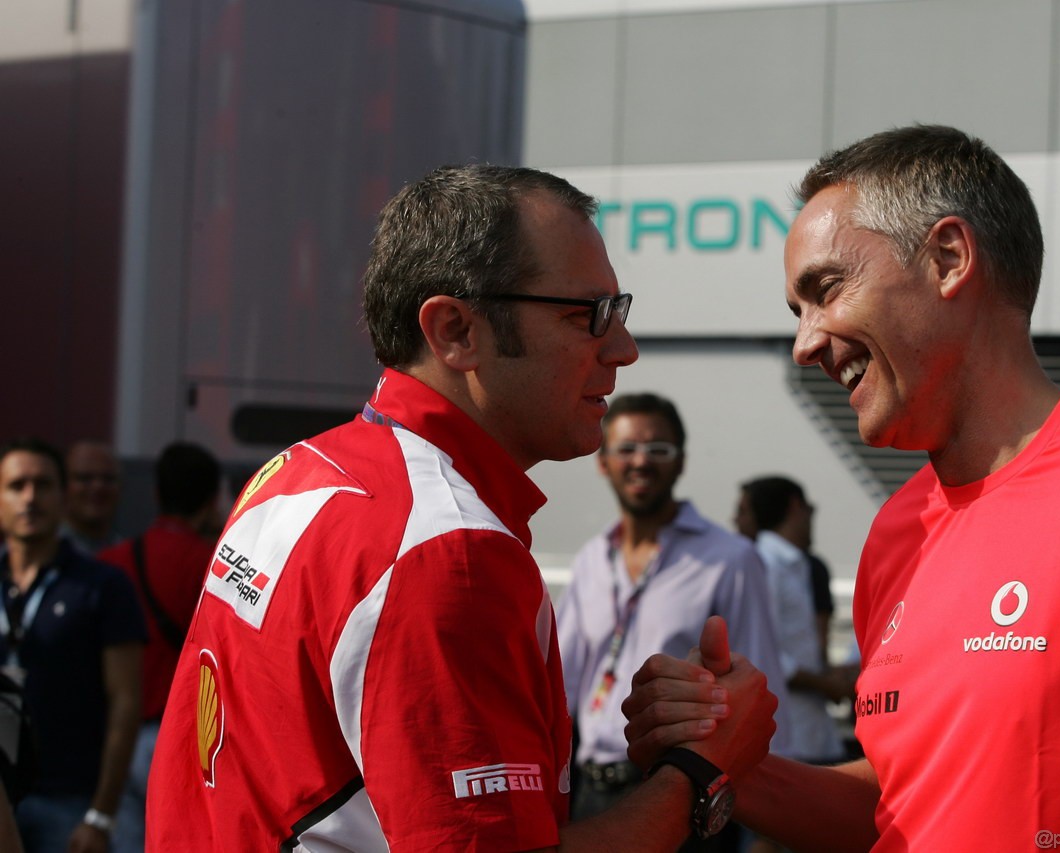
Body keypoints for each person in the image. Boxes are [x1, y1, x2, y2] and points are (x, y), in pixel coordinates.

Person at [623, 125, 1060, 852]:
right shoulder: (898, 532)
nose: (805, 343)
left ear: (949, 258)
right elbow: (905, 801)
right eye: (796, 311)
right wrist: (720, 761)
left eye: (825, 290)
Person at [146, 164, 778, 851]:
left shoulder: (297, 470)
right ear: (455, 330)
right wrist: (697, 772)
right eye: (587, 314)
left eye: (618, 312)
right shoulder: (449, 551)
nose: (622, 349)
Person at [556, 393, 791, 850]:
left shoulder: (730, 559)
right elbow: (560, 687)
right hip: (590, 793)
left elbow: (764, 687)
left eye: (658, 450)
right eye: (626, 449)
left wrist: (767, 829)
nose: (641, 461)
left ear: (681, 463)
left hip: (683, 793)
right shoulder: (591, 560)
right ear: (603, 462)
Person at [0, 438, 146, 853]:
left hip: (68, 800)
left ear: (62, 497)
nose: (30, 498)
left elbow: (125, 702)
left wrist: (100, 814)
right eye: (17, 486)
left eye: (43, 485)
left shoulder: (104, 586)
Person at [98, 441, 223, 852]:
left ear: (156, 494)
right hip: (181, 741)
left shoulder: (113, 562)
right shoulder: (214, 564)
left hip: (117, 742)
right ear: (209, 500)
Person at [735, 476, 847, 766]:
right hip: (785, 737)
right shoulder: (764, 563)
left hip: (809, 732)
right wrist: (825, 684)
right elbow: (760, 649)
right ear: (797, 506)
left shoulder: (793, 564)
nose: (735, 520)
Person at [61, 442, 123, 554]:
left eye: (108, 479)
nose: (98, 487)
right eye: (85, 478)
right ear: (62, 486)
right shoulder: (45, 553)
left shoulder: (129, 555)